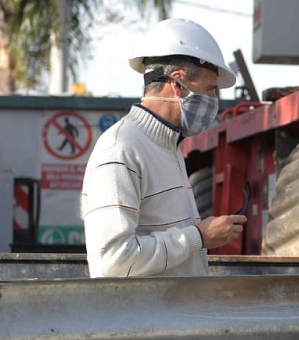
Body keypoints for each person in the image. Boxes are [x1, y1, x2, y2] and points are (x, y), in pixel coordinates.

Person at [80, 18, 246, 278]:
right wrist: (199, 236)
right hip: (146, 319)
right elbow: (113, 261)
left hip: (173, 316)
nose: (213, 102)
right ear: (178, 84)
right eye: (209, 90)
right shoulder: (121, 150)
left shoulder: (167, 148)